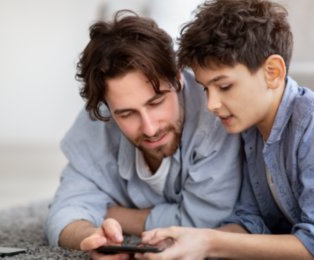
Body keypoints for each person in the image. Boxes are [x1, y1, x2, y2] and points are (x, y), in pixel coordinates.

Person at [139, 0, 314, 259]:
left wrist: (209, 242)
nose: (211, 105)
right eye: (206, 88)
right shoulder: (248, 129)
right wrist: (190, 241)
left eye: (225, 86)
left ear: (272, 72)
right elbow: (251, 221)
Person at [44, 10, 243, 256]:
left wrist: (112, 213)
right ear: (107, 107)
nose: (150, 128)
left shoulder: (214, 115)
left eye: (156, 101)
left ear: (178, 77)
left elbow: (204, 224)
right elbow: (63, 213)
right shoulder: (97, 124)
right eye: (127, 114)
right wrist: (91, 237)